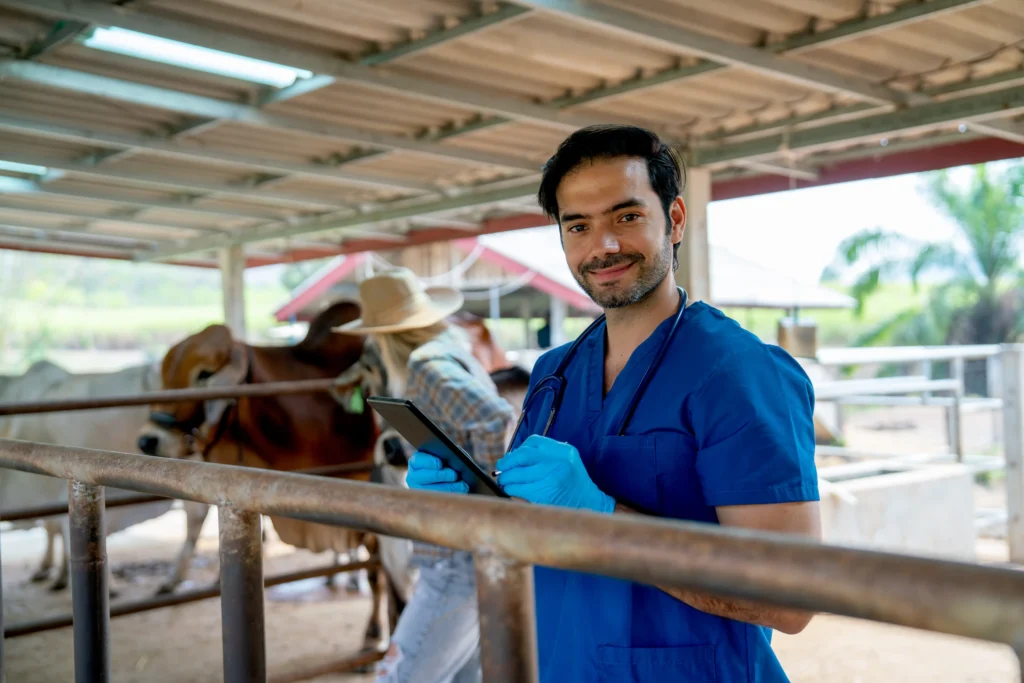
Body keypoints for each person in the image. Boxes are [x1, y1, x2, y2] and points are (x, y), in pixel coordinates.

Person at [406, 124, 821, 682]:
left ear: (673, 220)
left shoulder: (740, 372)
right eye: (578, 225)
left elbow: (789, 601)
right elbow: (531, 531)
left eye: (626, 217)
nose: (602, 246)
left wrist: (604, 516)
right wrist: (473, 504)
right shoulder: (555, 373)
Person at [335, 268, 516, 683]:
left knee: (400, 676)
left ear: (382, 336)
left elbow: (495, 419)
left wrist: (489, 494)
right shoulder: (453, 352)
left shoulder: (425, 365)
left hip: (454, 550)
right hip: (470, 547)